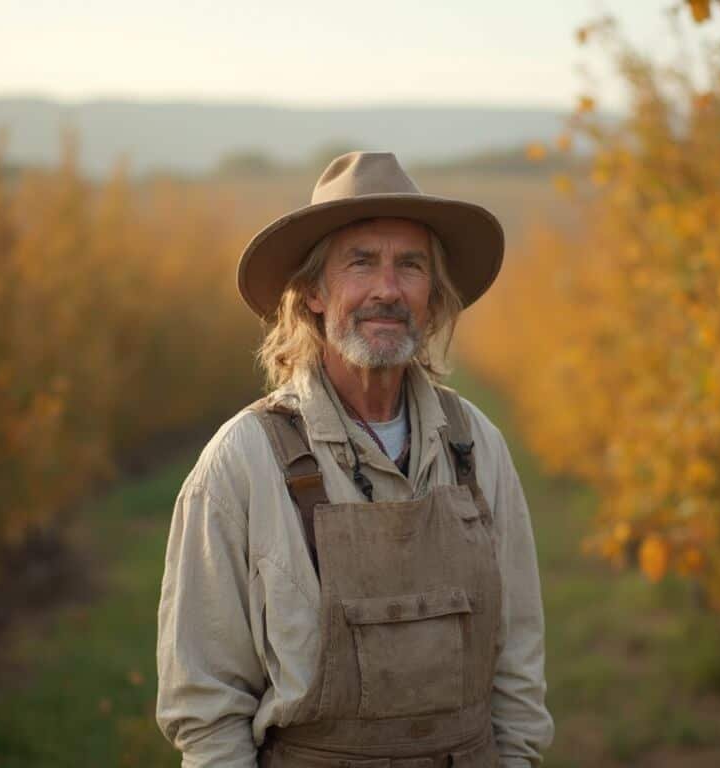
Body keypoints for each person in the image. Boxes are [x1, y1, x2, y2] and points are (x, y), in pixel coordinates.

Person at [156, 151, 553, 768]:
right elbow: (205, 708)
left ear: (434, 296)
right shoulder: (243, 462)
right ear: (314, 292)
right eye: (361, 263)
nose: (387, 291)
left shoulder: (476, 448)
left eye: (410, 266)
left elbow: (519, 666)